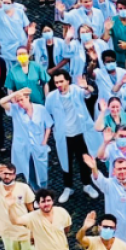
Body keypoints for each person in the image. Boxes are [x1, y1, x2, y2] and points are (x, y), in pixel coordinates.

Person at [46, 70, 102, 202]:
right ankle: (68, 187)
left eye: (61, 81)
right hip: (64, 136)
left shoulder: (76, 90)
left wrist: (86, 87)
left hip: (80, 133)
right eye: (56, 82)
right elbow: (47, 114)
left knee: (84, 160)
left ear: (68, 81)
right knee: (66, 161)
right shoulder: (51, 97)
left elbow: (89, 92)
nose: (59, 85)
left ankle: (87, 185)